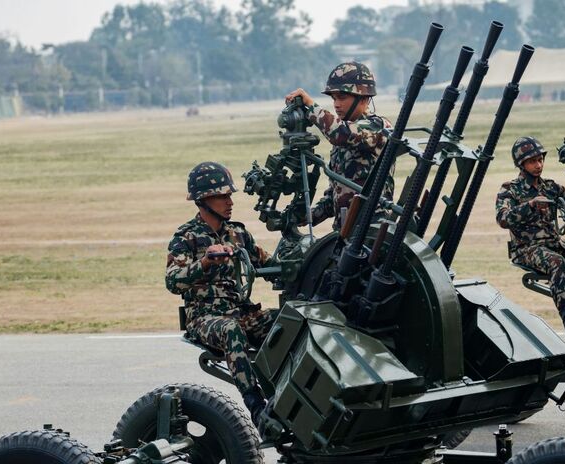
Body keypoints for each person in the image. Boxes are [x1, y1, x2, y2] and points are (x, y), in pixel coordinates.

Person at [165, 161, 277, 422]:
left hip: (241, 313)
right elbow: (173, 282)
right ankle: (257, 408)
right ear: (203, 200)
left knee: (290, 321)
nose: (230, 202)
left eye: (229, 195)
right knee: (231, 331)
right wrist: (204, 263)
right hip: (205, 319)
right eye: (222, 196)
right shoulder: (186, 238)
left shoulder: (237, 233)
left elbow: (269, 264)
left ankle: (287, 395)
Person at [495, 137, 565, 341]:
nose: (538, 165)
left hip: (555, 244)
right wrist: (530, 206)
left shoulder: (550, 187)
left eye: (540, 160)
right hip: (527, 250)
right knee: (558, 263)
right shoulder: (509, 189)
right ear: (521, 164)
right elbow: (502, 219)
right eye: (532, 161)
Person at [285, 61, 394, 230]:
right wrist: (303, 217)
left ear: (364, 98)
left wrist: (310, 105)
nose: (336, 104)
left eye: (342, 97)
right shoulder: (344, 137)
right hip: (345, 231)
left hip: (372, 230)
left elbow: (339, 133)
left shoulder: (378, 127)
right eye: (334, 98)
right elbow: (335, 198)